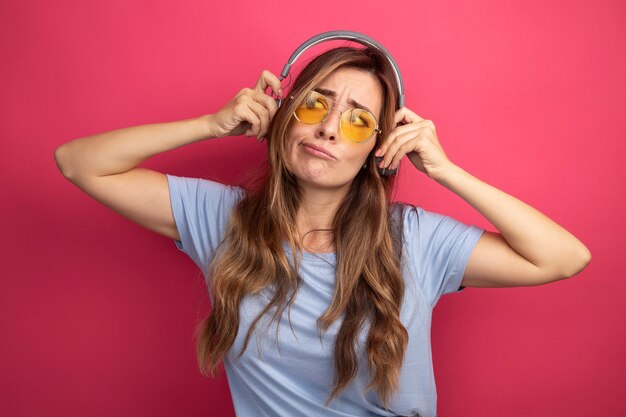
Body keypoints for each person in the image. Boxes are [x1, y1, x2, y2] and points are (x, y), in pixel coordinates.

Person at [54, 46, 591, 417]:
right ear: (285, 115)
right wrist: (209, 125)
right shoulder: (223, 219)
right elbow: (79, 162)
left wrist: (444, 171)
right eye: (315, 104)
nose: (330, 128)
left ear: (377, 149)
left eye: (358, 120)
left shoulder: (415, 241)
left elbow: (563, 257)